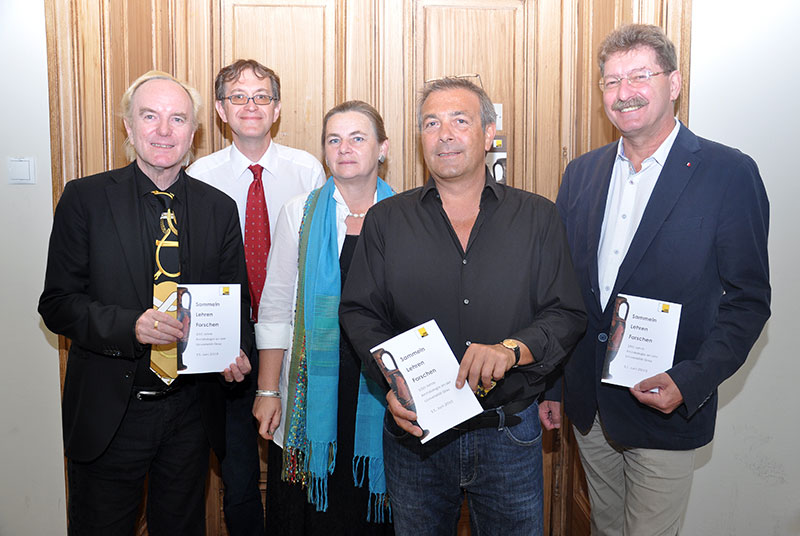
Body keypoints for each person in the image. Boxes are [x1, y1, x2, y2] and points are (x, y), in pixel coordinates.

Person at [539, 24, 771, 536]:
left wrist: (689, 382)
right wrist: (553, 386)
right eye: (610, 82)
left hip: (662, 402)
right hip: (590, 406)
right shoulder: (581, 174)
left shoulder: (728, 174)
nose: (624, 93)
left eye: (640, 76)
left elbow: (748, 302)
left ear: (675, 82)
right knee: (605, 528)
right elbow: (563, 294)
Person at [339, 78, 587, 535]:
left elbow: (566, 313)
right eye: (432, 123)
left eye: (459, 120)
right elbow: (359, 314)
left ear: (489, 133)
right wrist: (392, 381)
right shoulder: (386, 221)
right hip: (417, 439)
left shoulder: (537, 216)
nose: (445, 134)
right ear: (420, 139)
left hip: (508, 433)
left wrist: (513, 349)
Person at [38, 71, 253, 535]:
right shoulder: (85, 199)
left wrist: (237, 356)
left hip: (190, 414)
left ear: (193, 133)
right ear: (128, 128)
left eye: (177, 119)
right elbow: (57, 303)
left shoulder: (219, 208)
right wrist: (129, 326)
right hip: (110, 412)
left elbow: (235, 304)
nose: (163, 130)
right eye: (150, 116)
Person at [187, 59, 325, 535]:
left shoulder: (307, 169)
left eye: (262, 96)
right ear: (222, 111)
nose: (251, 105)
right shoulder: (200, 175)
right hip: (227, 342)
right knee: (239, 475)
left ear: (278, 108)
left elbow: (321, 258)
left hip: (293, 338)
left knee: (300, 467)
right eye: (238, 97)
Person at [252, 100, 395, 534]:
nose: (344, 148)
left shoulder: (408, 213)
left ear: (382, 148)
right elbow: (275, 306)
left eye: (357, 138)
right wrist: (267, 390)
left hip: (381, 388)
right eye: (334, 139)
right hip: (311, 385)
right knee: (308, 517)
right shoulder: (300, 212)